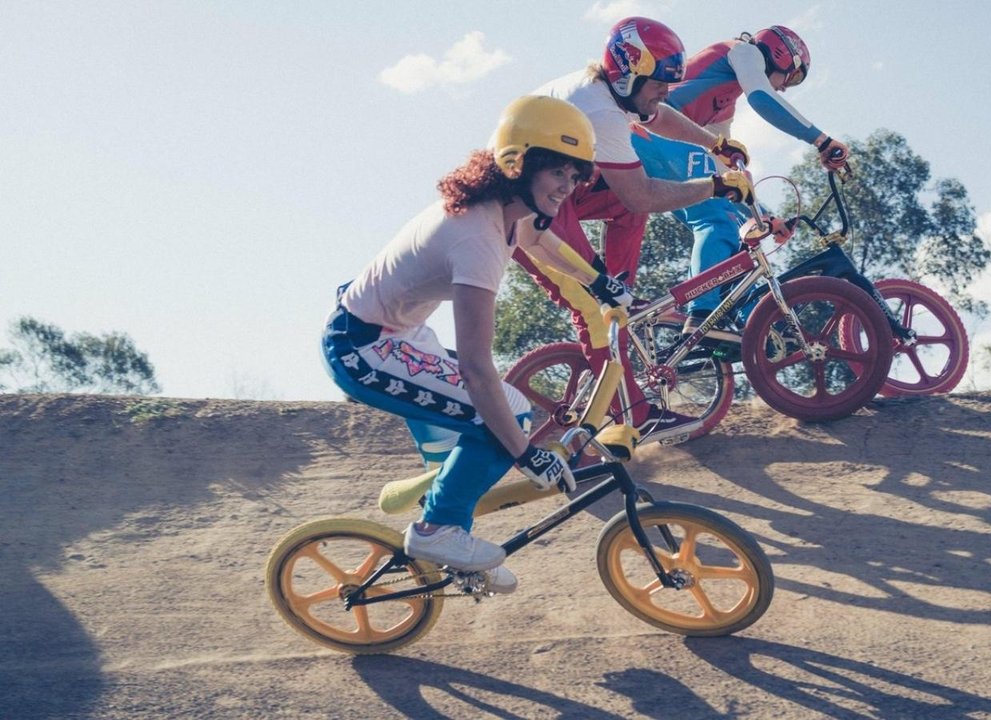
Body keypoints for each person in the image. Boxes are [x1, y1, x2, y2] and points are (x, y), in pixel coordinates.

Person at [322, 96, 610, 593]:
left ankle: (453, 534)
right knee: (506, 417)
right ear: (519, 163)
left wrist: (601, 282)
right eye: (556, 171)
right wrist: (528, 455)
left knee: (502, 414)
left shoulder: (509, 211)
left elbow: (541, 243)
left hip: (398, 334)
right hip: (362, 350)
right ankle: (438, 531)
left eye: (575, 174)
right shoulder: (476, 237)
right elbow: (477, 369)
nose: (568, 186)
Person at [514, 16, 756, 444]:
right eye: (659, 82)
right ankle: (637, 415)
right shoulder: (600, 112)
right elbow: (643, 194)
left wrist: (713, 143)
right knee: (594, 308)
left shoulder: (611, 91)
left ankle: (621, 296)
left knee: (625, 210)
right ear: (628, 74)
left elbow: (657, 116)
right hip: (520, 215)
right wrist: (714, 185)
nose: (666, 91)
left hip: (555, 193)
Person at [632, 25, 851, 340]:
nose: (787, 88)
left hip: (660, 143)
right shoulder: (743, 51)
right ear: (782, 56)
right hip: (654, 131)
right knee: (716, 221)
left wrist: (761, 214)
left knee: (735, 228)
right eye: (792, 77)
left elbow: (728, 172)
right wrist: (821, 140)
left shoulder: (725, 100)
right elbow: (762, 98)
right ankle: (701, 316)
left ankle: (750, 322)